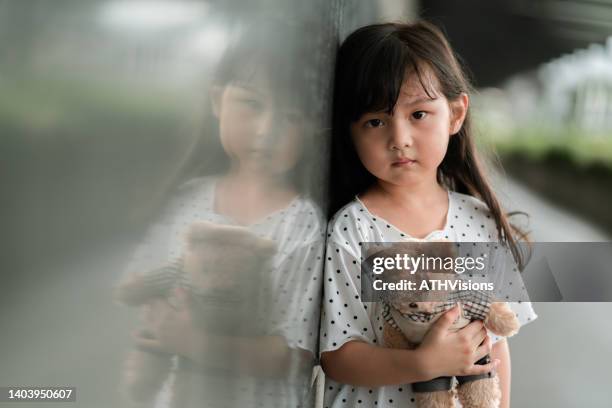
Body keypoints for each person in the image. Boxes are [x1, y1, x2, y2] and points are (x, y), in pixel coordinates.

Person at [319, 21, 537, 408]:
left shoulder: (480, 221)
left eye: (418, 114)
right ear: (350, 133)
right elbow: (338, 355)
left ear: (455, 114)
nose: (399, 138)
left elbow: (496, 347)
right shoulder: (353, 229)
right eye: (375, 121)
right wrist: (423, 363)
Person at [115, 18, 327, 408]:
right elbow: (144, 286)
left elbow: (294, 355)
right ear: (217, 101)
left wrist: (196, 343)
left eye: (292, 116)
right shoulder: (188, 199)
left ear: (315, 128)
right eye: (251, 104)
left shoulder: (303, 225)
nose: (266, 130)